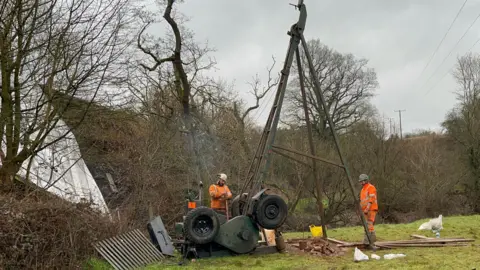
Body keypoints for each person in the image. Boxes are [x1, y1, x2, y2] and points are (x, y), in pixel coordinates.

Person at [359, 173, 378, 243]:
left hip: (371, 209)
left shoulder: (371, 187)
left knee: (369, 224)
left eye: (362, 181)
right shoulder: (362, 190)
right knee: (366, 225)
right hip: (365, 210)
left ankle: (371, 240)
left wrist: (367, 208)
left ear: (365, 180)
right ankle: (368, 240)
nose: (361, 182)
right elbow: (362, 200)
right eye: (360, 181)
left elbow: (371, 199)